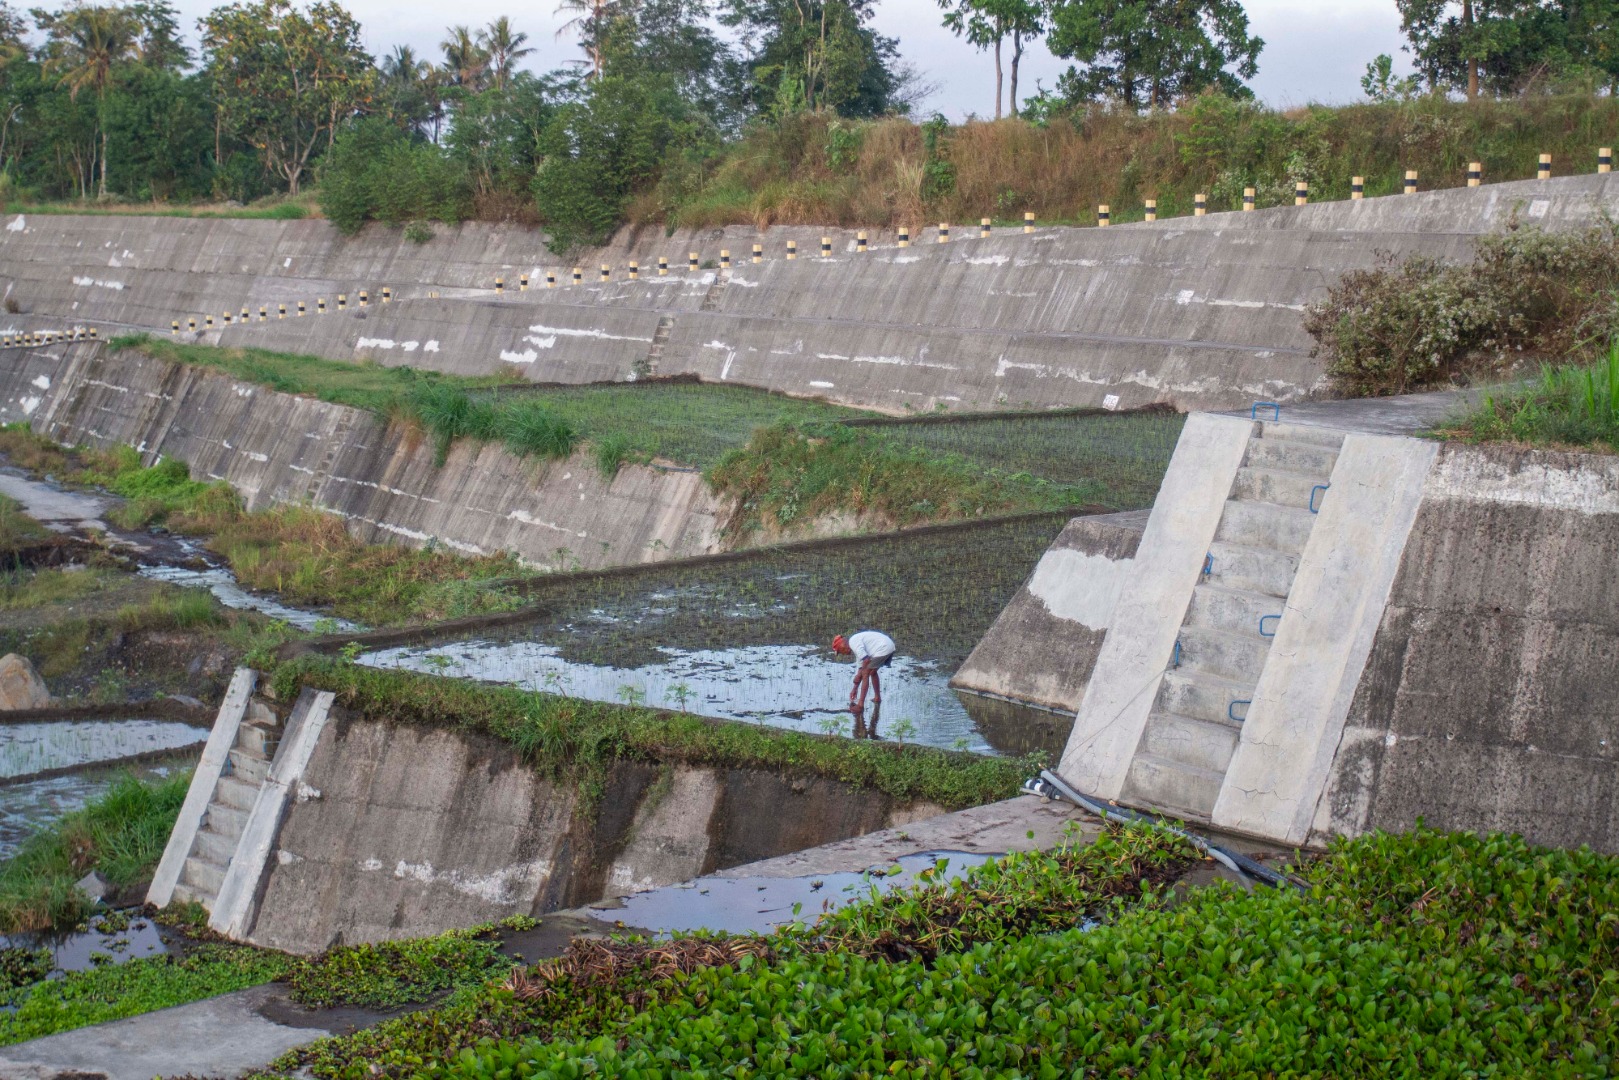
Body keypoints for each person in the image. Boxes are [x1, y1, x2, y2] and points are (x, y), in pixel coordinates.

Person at [831, 631, 894, 723]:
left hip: (883, 647)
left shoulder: (853, 642)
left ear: (842, 645)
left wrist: (860, 674)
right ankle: (877, 697)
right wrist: (854, 689)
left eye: (840, 651)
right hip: (888, 646)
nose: (842, 654)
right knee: (872, 672)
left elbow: (866, 661)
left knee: (866, 673)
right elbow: (860, 668)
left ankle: (860, 705)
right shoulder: (856, 648)